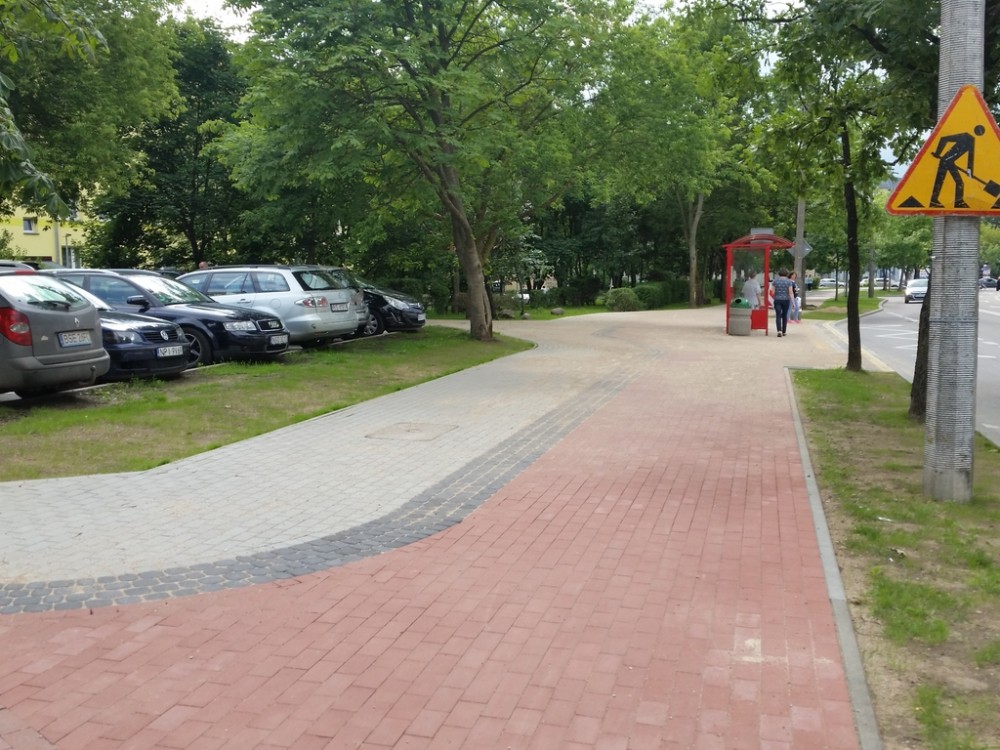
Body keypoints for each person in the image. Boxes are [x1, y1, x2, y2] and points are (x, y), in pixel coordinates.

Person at [770, 268, 796, 337]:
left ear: (779, 274)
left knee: (778, 315)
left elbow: (773, 292)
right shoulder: (789, 282)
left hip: (777, 300)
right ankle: (784, 331)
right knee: (784, 315)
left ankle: (779, 331)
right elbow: (791, 292)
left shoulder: (775, 281)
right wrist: (793, 302)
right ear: (787, 274)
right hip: (786, 300)